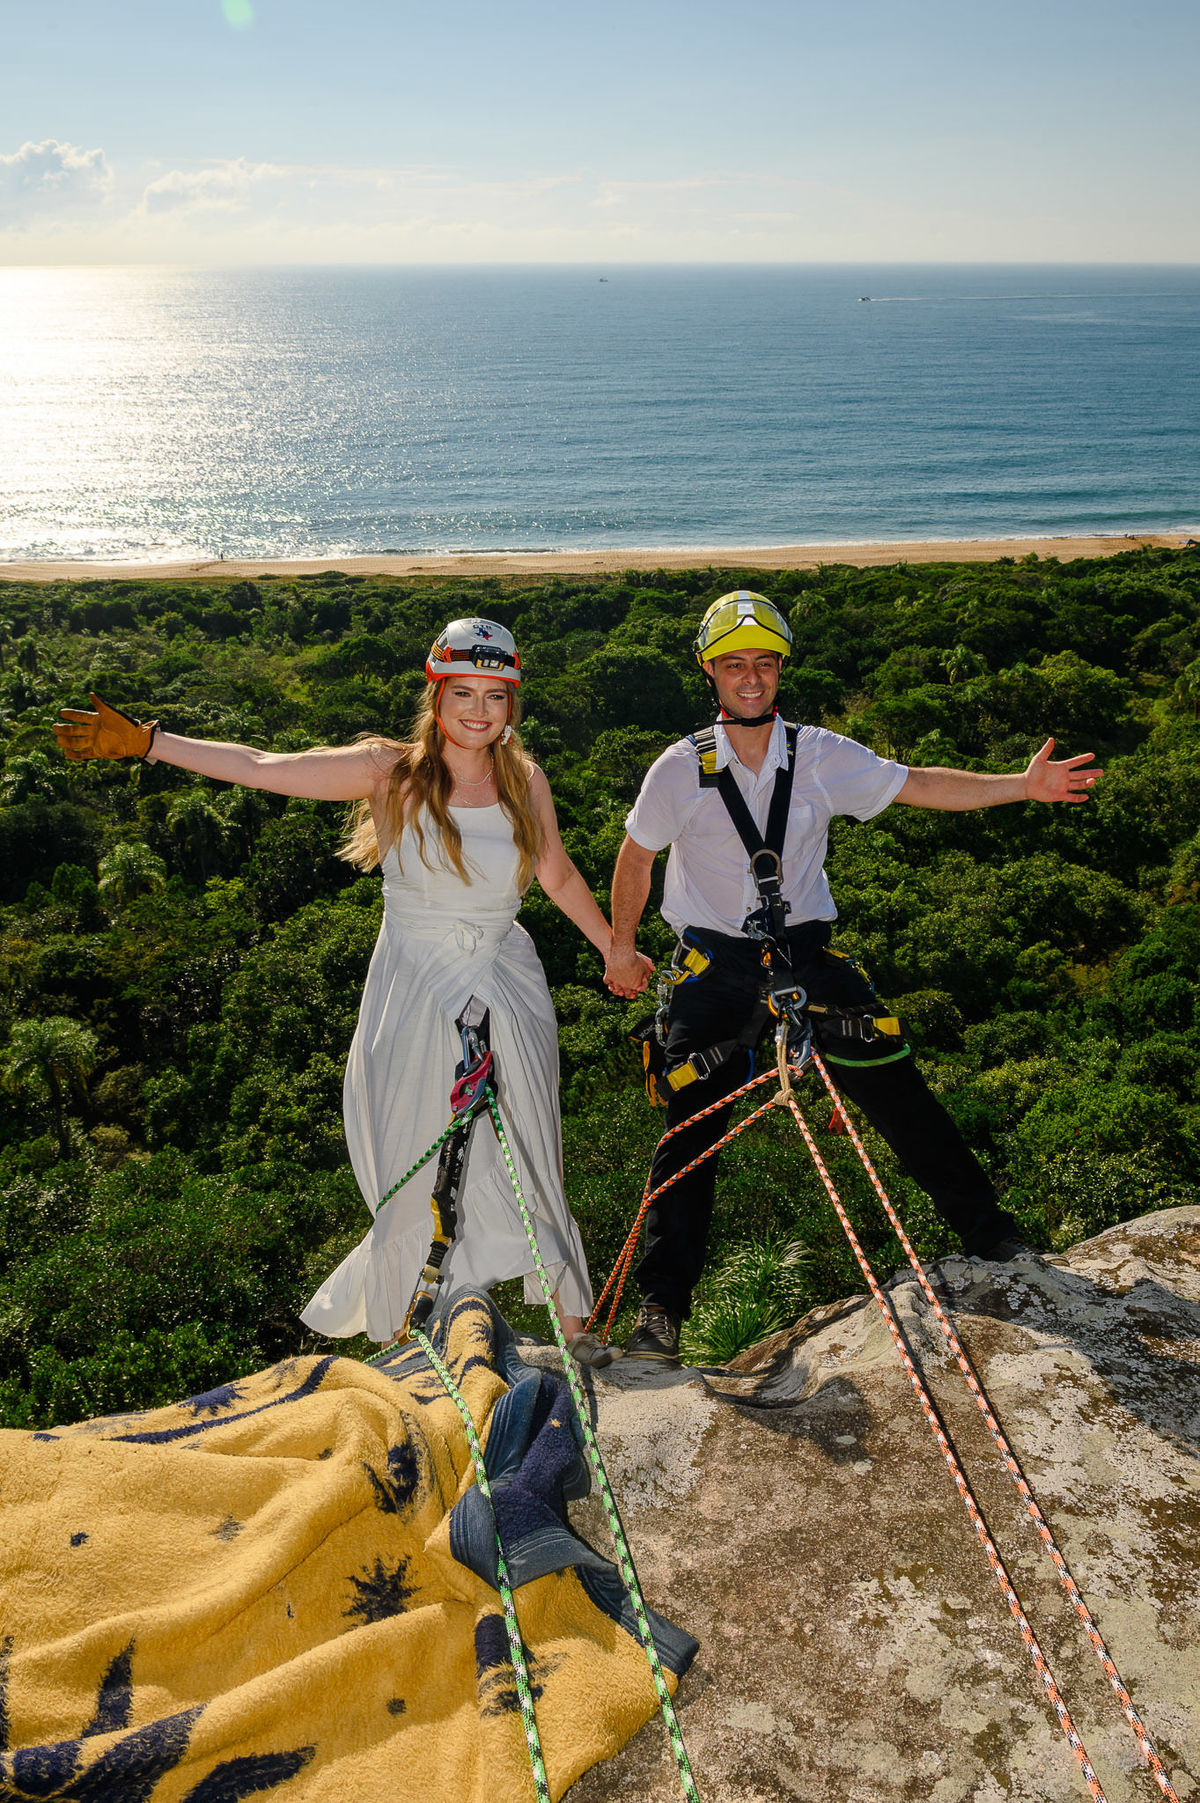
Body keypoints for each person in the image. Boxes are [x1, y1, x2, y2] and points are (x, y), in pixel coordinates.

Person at [55, 618, 650, 1356]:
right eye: (462, 691)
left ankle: (579, 1339)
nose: (478, 709)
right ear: (436, 695)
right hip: (414, 987)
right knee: (411, 1175)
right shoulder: (388, 771)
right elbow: (264, 765)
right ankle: (397, 1344)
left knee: (532, 1156)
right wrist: (151, 742)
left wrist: (614, 948)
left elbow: (555, 871)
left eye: (495, 695)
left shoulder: (526, 780)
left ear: (512, 705)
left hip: (506, 982)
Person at [601, 590, 1102, 1361]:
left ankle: (992, 1233)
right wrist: (621, 947)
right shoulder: (679, 770)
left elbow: (920, 783)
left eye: (764, 662)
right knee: (689, 1129)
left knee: (899, 1088)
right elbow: (636, 855)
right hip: (714, 964)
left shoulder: (821, 755)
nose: (752, 676)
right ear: (711, 672)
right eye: (735, 663)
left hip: (803, 957)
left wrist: (1018, 784)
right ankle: (662, 1309)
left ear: (779, 670)